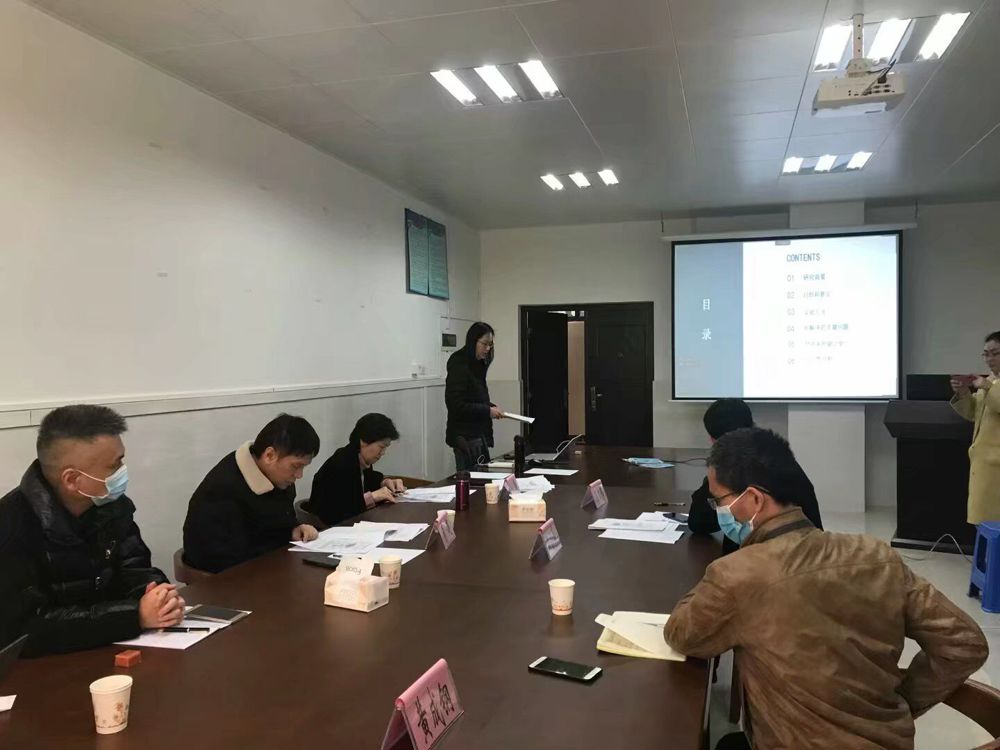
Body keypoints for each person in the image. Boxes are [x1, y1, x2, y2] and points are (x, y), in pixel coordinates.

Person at [664, 427, 989, 750]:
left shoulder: (739, 573)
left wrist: (713, 577)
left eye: (718, 500)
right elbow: (964, 643)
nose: (717, 510)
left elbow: (683, 634)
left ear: (753, 498)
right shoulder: (877, 555)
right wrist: (899, 703)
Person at [0, 405, 183, 656]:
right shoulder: (12, 527)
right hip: (46, 666)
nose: (122, 471)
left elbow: (135, 568)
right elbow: (27, 629)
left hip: (112, 647)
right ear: (72, 480)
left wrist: (159, 596)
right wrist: (135, 615)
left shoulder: (112, 505)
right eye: (113, 466)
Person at [182, 414, 320, 574]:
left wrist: (294, 530)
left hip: (269, 571)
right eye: (296, 466)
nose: (299, 475)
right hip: (229, 580)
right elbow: (222, 561)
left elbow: (275, 526)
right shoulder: (222, 491)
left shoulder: (279, 480)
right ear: (269, 455)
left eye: (303, 467)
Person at [687, 399, 823, 554]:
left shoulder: (734, 466)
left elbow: (698, 522)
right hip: (809, 552)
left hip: (775, 558)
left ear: (714, 441)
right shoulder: (776, 454)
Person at [308, 413, 406, 527]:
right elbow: (338, 510)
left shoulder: (361, 459)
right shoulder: (340, 464)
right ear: (363, 441)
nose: (383, 453)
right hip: (329, 530)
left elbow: (367, 481)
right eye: (381, 447)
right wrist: (373, 497)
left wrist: (384, 482)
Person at [951, 330, 1000, 524]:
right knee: (984, 520)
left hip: (996, 462)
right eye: (986, 354)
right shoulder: (992, 380)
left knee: (994, 519)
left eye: (995, 353)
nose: (989, 359)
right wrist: (963, 392)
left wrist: (987, 387)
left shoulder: (989, 384)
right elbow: (974, 413)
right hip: (983, 460)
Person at [446, 321, 504, 471]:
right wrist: (487, 410)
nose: (488, 348)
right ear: (473, 341)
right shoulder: (458, 363)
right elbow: (456, 404)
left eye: (490, 345)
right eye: (484, 344)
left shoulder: (479, 363)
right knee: (470, 478)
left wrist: (490, 407)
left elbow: (475, 396)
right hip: (464, 435)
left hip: (479, 433)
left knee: (484, 475)